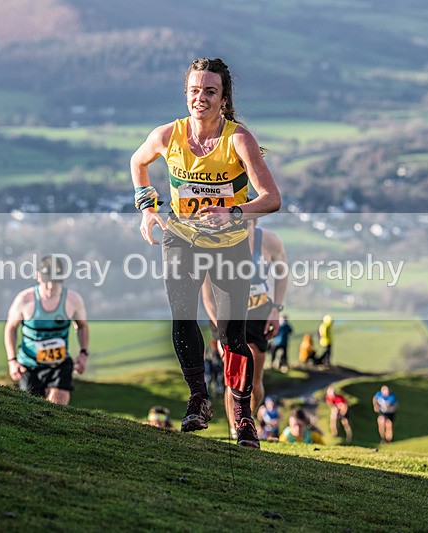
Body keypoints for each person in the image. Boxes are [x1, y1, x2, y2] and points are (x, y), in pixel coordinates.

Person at [130, 57, 281, 448]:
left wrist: (233, 211)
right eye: (194, 91)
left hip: (230, 246)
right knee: (183, 317)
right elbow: (137, 162)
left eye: (210, 91)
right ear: (186, 94)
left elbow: (272, 199)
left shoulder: (238, 140)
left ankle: (243, 416)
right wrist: (148, 210)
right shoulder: (168, 135)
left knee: (232, 336)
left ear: (224, 97)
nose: (201, 98)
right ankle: (198, 398)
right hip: (181, 238)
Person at [201, 216, 288, 437]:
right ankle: (235, 429)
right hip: (226, 316)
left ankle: (247, 418)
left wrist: (276, 309)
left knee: (255, 382)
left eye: (246, 222)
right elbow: (208, 296)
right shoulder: (214, 244)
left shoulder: (268, 241)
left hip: (259, 313)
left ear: (255, 221)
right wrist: (221, 330)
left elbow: (282, 272)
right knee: (235, 377)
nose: (241, 227)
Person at [4, 255, 89, 405]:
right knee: (33, 410)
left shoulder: (73, 300)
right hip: (29, 365)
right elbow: (10, 328)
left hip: (60, 364)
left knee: (57, 406)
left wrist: (83, 353)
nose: (50, 286)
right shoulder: (25, 300)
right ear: (38, 277)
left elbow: (82, 326)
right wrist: (12, 360)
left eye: (55, 281)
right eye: (46, 281)